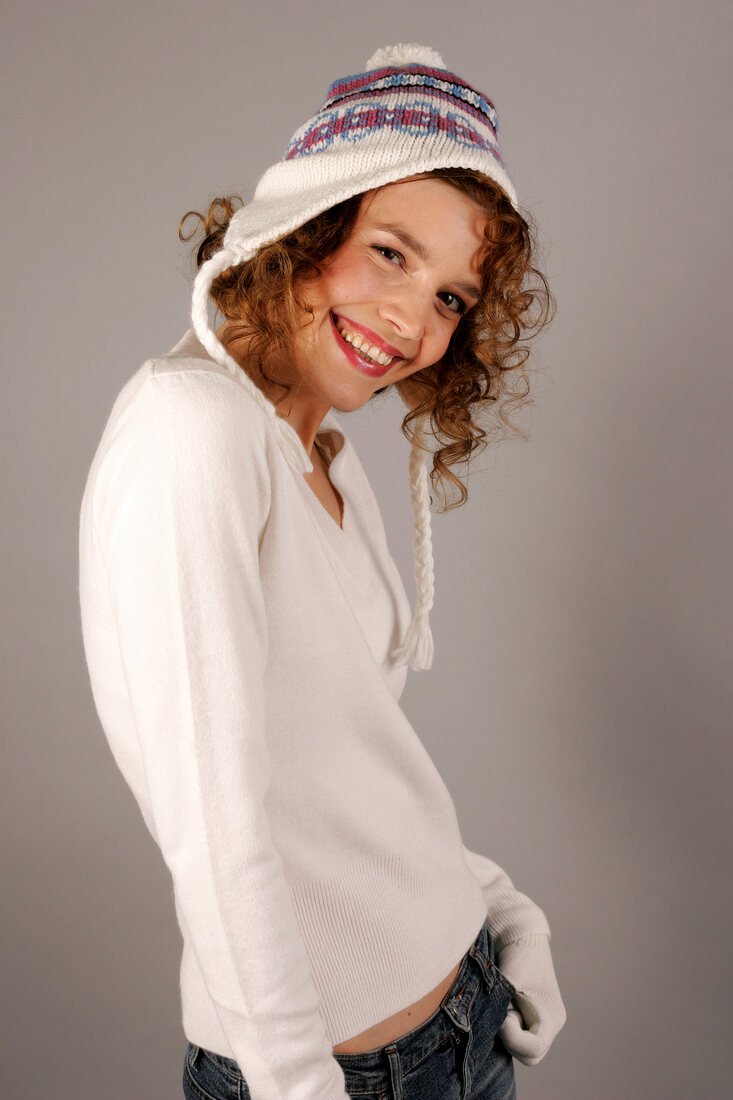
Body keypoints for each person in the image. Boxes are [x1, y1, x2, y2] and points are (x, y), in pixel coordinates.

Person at [78, 43, 566, 1100]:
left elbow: (344, 767)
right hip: (346, 1067)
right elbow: (215, 821)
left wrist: (498, 906)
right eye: (391, 252)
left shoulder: (324, 455)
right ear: (306, 224)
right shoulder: (190, 429)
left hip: (465, 1011)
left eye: (449, 295)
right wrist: (298, 1085)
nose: (412, 318)